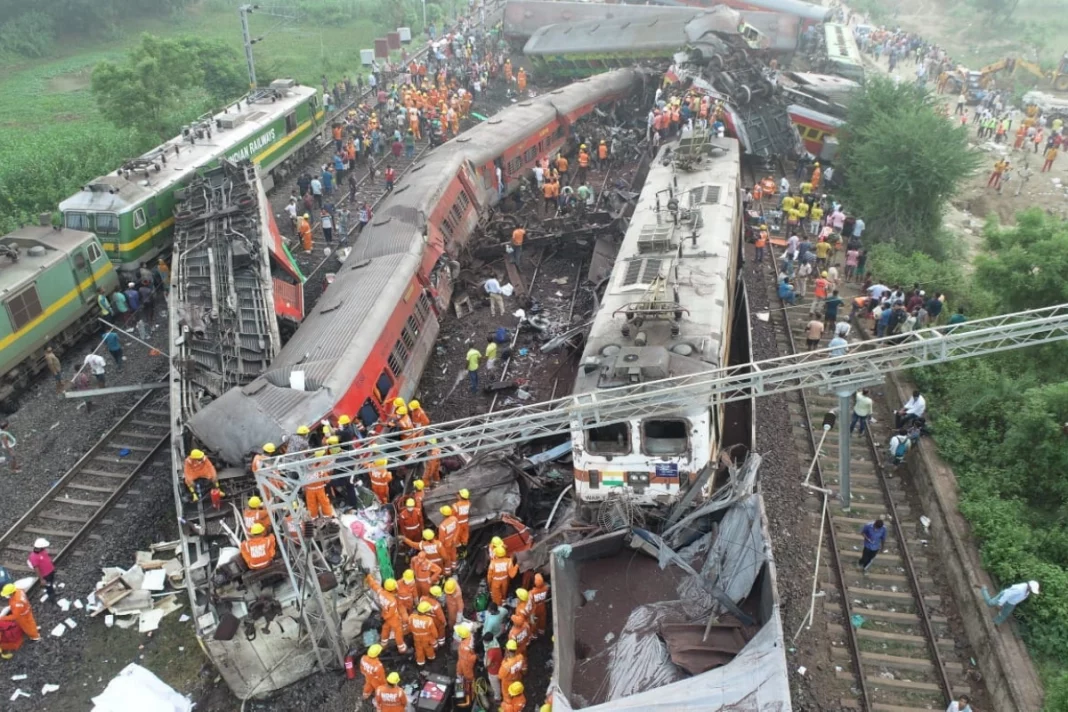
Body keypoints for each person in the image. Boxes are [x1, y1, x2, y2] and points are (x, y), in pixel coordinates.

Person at [366, 574, 409, 653]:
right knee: (398, 633)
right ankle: (402, 648)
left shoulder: (381, 593)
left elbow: (374, 585)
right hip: (393, 619)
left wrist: (368, 576)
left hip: (385, 615)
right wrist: (386, 617)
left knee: (386, 629)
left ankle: (383, 644)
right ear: (392, 589)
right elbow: (391, 613)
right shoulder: (392, 601)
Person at [409, 600, 439, 665]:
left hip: (416, 638)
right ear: (425, 611)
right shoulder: (429, 620)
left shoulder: (411, 617)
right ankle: (431, 659)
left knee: (419, 650)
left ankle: (420, 663)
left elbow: (410, 627)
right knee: (429, 649)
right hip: (427, 639)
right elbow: (434, 632)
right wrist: (436, 638)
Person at [484, 632, 504, 702]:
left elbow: (487, 664)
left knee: (496, 686)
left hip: (494, 672)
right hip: (499, 666)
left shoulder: (491, 651)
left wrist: (485, 663)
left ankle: (498, 698)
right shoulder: (495, 643)